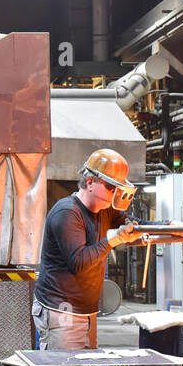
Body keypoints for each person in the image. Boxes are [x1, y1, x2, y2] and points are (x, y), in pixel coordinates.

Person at [33, 148, 139, 350]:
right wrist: (112, 240)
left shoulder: (106, 211)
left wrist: (176, 229)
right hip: (62, 311)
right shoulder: (67, 213)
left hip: (87, 312)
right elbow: (79, 262)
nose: (115, 194)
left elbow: (135, 228)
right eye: (110, 187)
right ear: (90, 182)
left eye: (117, 188)